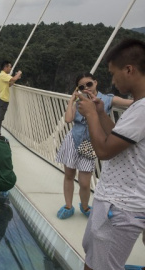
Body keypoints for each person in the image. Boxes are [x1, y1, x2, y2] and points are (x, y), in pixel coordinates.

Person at [77, 39, 145, 270]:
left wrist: (91, 117)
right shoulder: (138, 105)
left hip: (122, 208)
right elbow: (118, 138)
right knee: (93, 260)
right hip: (113, 201)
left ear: (129, 69)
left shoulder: (143, 109)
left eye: (114, 74)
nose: (113, 81)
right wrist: (99, 112)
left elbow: (104, 151)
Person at [55, 72, 133, 220]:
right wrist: (72, 100)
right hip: (72, 140)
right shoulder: (79, 101)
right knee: (69, 175)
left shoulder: (107, 99)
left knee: (85, 182)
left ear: (95, 82)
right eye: (82, 86)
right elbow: (68, 119)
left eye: (89, 84)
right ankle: (68, 206)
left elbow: (131, 103)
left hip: (92, 144)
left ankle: (84, 206)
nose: (86, 88)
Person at [0, 60, 22, 134]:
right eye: (10, 67)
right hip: (3, 99)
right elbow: (13, 78)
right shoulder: (3, 75)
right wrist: (19, 73)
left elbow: (9, 84)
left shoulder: (1, 75)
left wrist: (16, 78)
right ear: (5, 67)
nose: (11, 68)